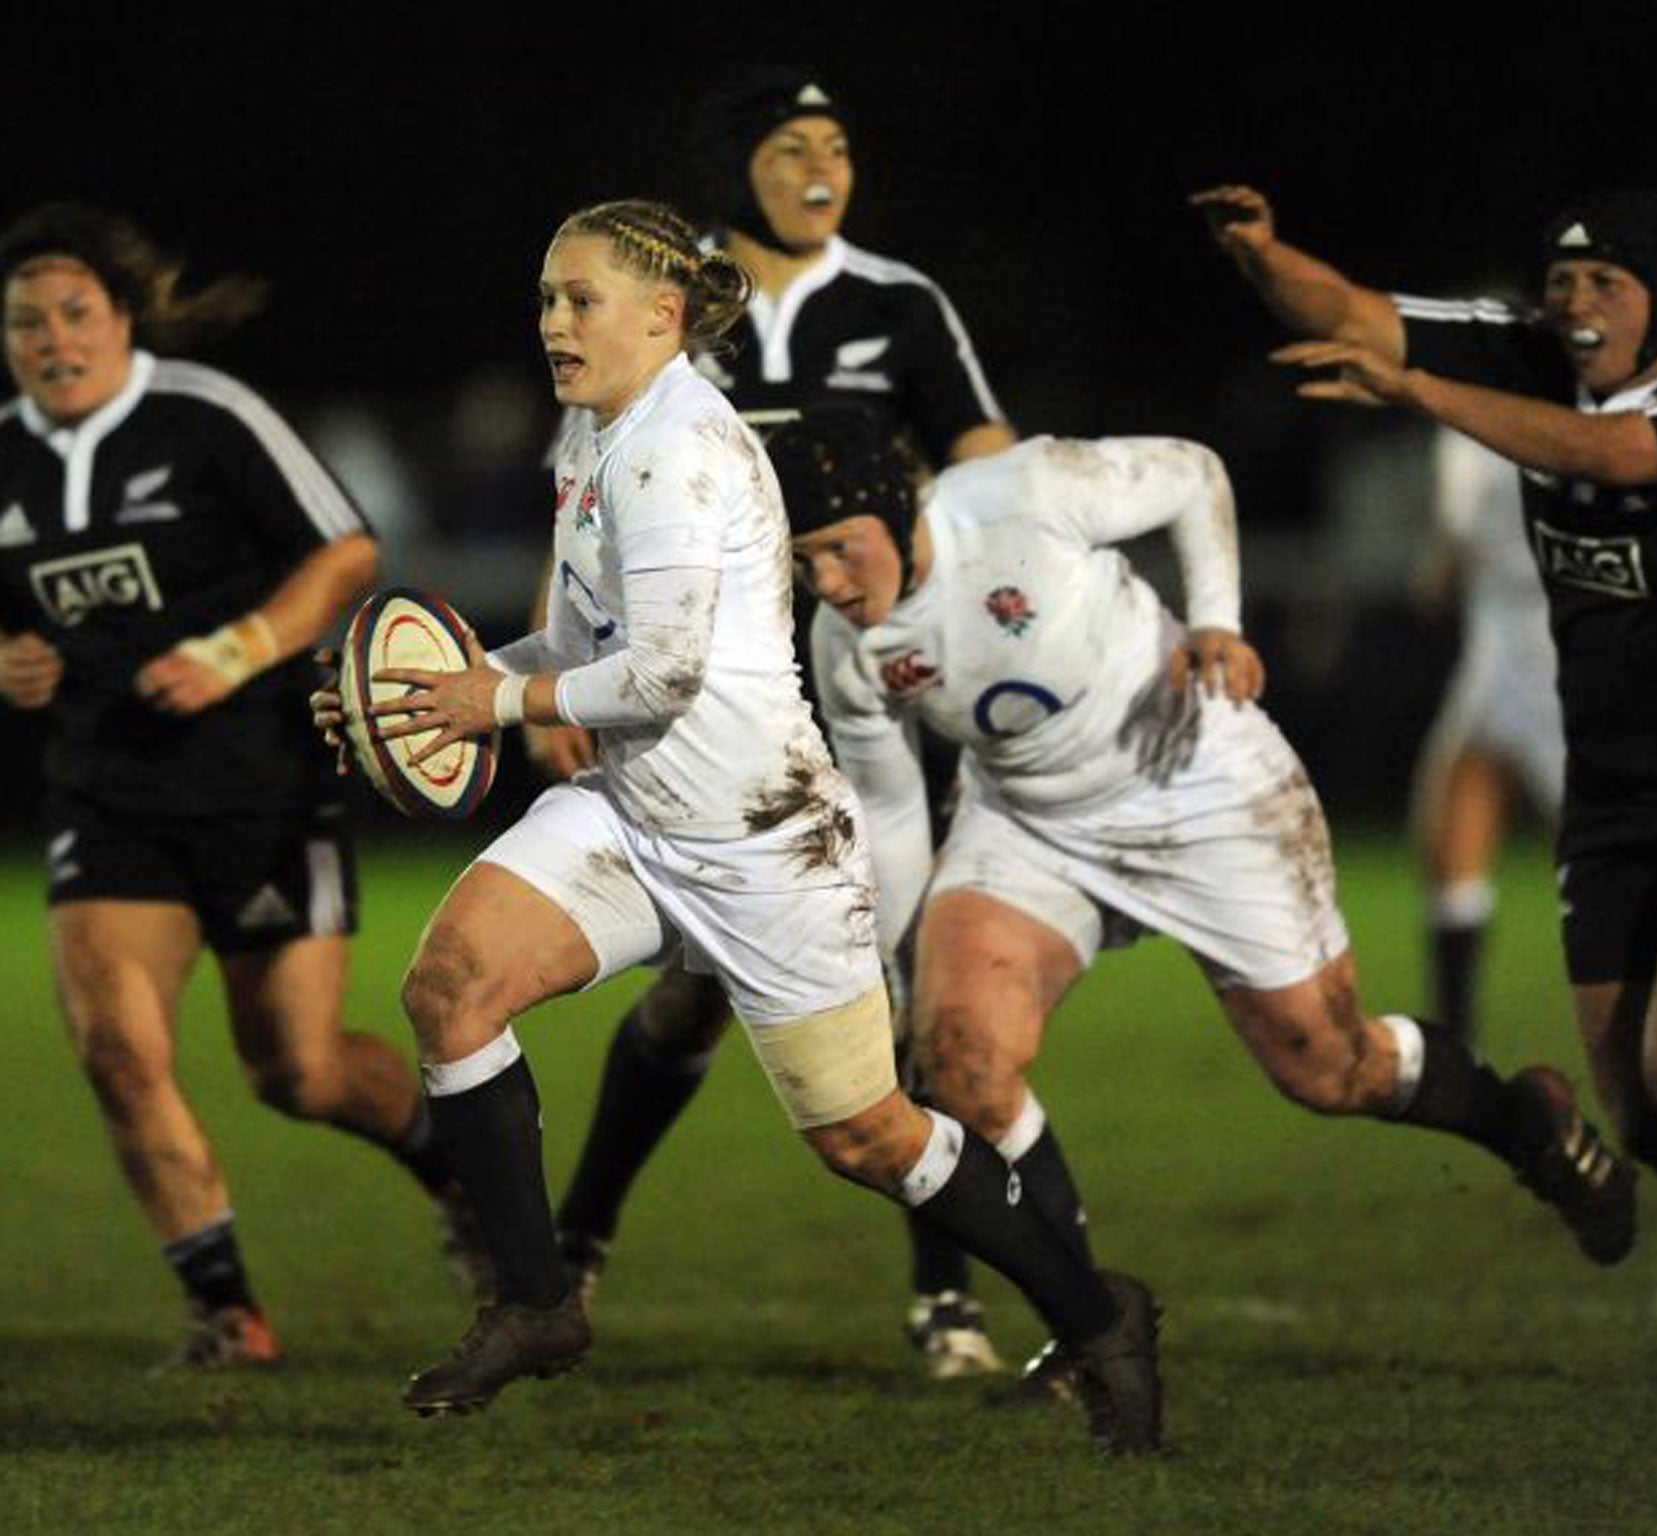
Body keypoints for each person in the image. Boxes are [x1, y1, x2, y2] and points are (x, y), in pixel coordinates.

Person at [318, 198, 1162, 1453]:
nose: (553, 321)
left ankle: (1100, 1320)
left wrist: (487, 702)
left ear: (662, 316)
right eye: (545, 297)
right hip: (631, 812)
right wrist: (423, 702)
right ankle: (538, 1302)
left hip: (765, 838)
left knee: (865, 1134)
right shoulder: (591, 433)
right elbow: (582, 645)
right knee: (450, 987)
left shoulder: (678, 451)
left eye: (580, 299)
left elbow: (660, 674)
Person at [757, 407, 1637, 1388]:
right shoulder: (845, 646)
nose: (827, 582)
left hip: (1199, 783)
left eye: (837, 549)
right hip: (1029, 825)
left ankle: (1527, 1127)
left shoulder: (1022, 493)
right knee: (959, 1061)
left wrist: (1215, 618)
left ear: (895, 505)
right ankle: (1092, 1328)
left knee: (1328, 1067)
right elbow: (887, 813)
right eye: (803, 563)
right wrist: (894, 967)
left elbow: (1191, 468)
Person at [1194, 181, 1657, 1395]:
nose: (1575, 306)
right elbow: (1351, 310)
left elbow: (1616, 453)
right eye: (1560, 285)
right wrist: (1262, 252)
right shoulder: (1535, 353)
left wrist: (1423, 394)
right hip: (1614, 793)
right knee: (1653, 1128)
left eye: (1605, 284)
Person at [545, 67, 1021, 1380]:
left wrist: (929, 538)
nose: (823, 166)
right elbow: (584, 480)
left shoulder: (896, 304)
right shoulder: (664, 299)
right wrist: (560, 662)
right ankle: (576, 1246)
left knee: (911, 991)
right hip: (714, 719)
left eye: (839, 145)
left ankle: (946, 1298)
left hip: (869, 702)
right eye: (791, 145)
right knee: (689, 1001)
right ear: (733, 165)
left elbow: (990, 459)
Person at [0, 203, 477, 1370]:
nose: (55, 340)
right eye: (26, 323)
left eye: (76, 314)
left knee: (299, 1071)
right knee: (118, 1052)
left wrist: (236, 649)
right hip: (106, 795)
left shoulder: (204, 416)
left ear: (122, 319)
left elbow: (346, 551)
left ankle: (461, 1173)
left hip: (258, 786)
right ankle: (225, 1313)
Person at [1407, 426, 1565, 1044]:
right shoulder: (1472, 419)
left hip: (1552, 641)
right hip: (1500, 640)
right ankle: (1455, 1031)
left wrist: (1432, 575)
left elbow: (1453, 552)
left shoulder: (1487, 421)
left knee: (1608, 846)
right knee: (1450, 823)